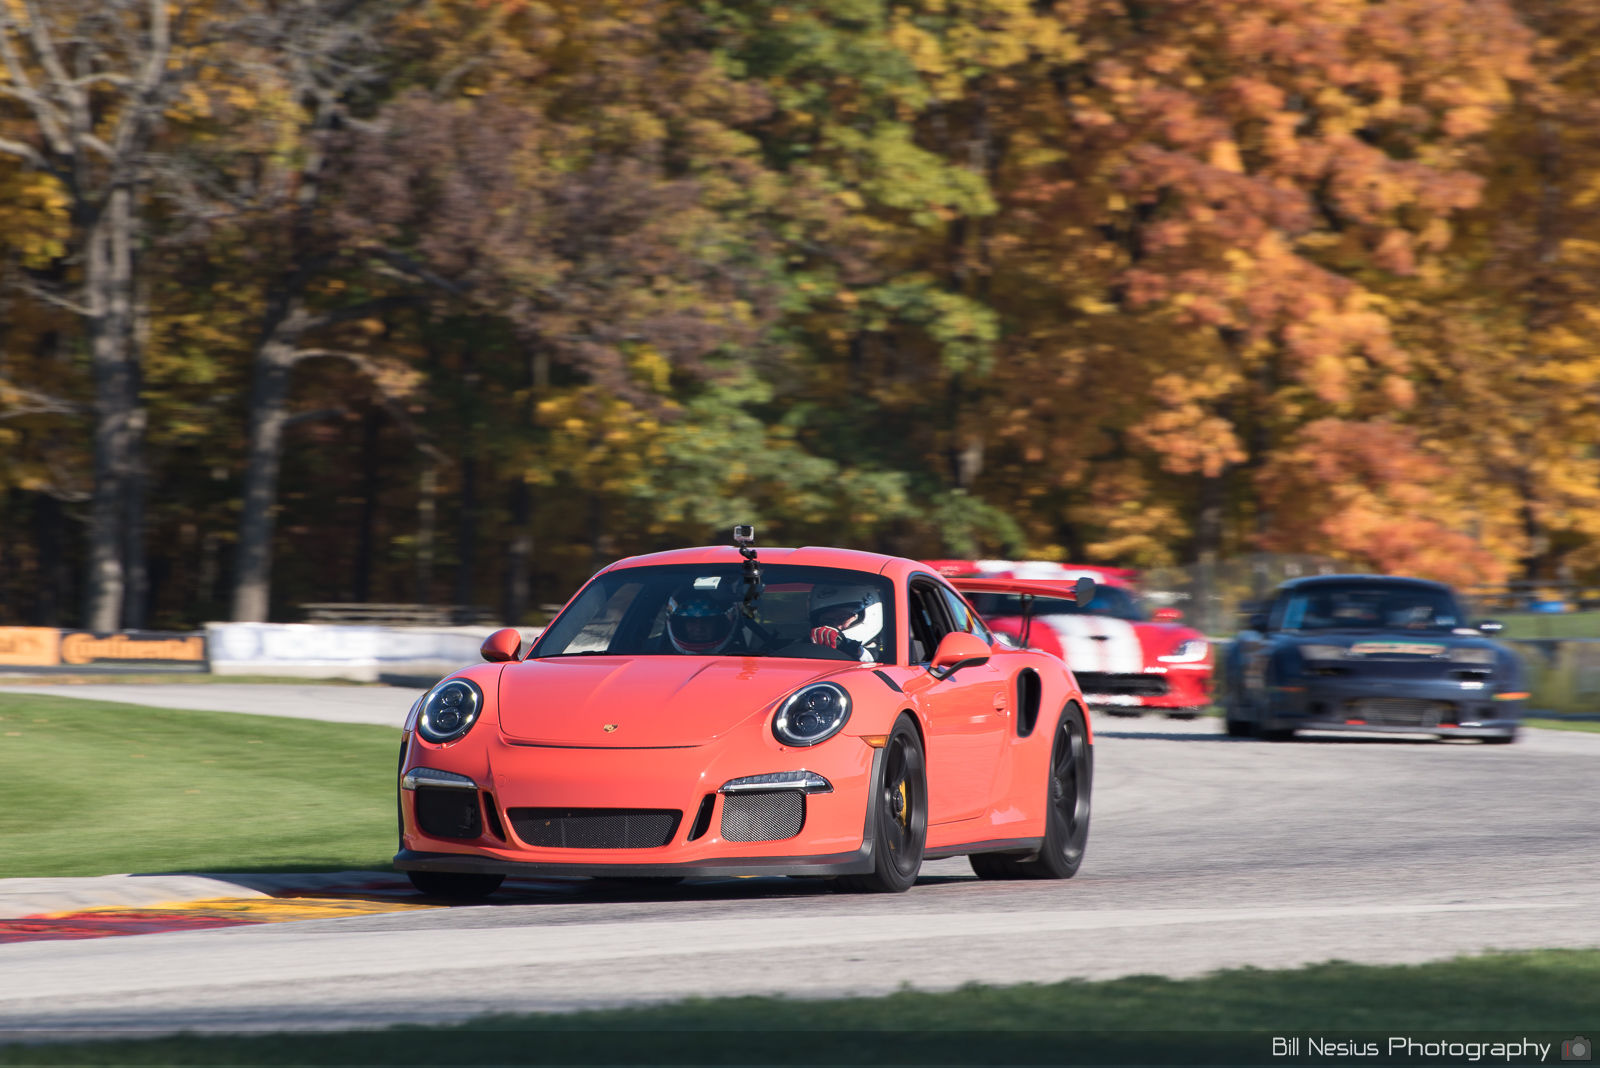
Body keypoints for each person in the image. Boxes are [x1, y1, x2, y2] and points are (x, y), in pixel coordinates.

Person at [808, 589, 884, 662]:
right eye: (826, 621)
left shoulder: (890, 648)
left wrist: (853, 649)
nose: (835, 626)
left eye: (843, 618)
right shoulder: (809, 649)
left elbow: (874, 657)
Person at [665, 591, 739, 655]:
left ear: (720, 625)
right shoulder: (662, 658)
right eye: (691, 621)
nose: (699, 628)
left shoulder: (741, 658)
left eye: (706, 621)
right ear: (680, 626)